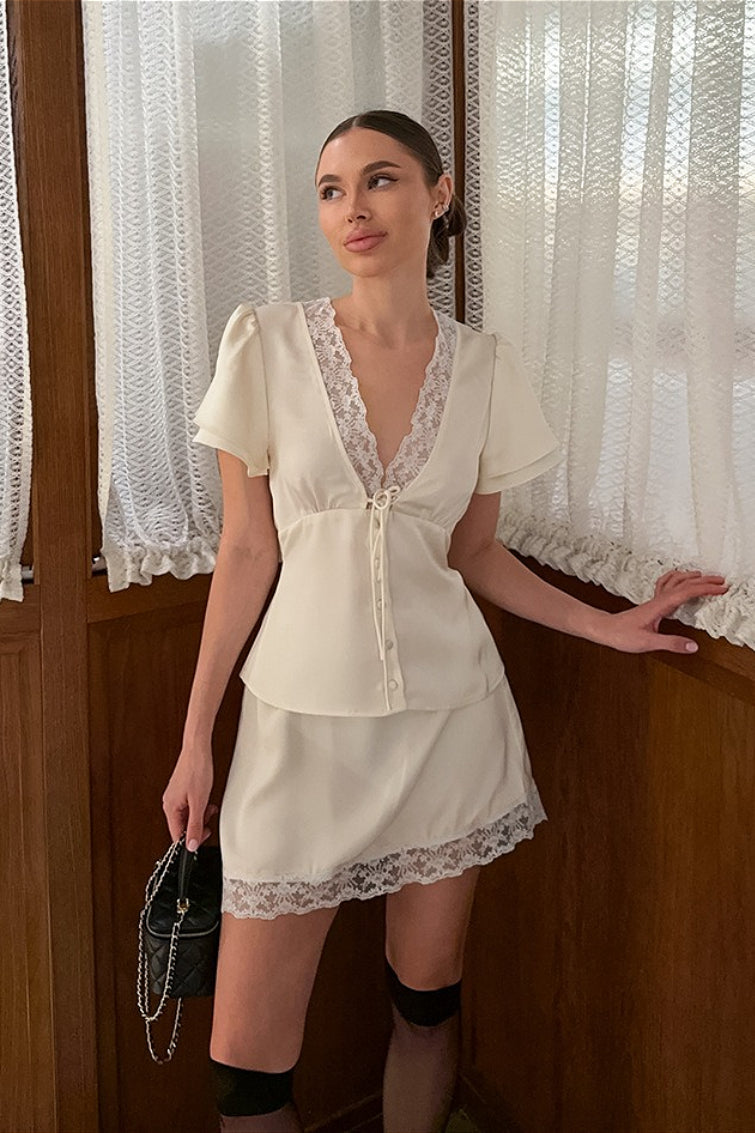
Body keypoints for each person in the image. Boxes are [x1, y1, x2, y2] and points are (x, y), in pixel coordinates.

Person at [162, 109, 729, 1133]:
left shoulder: (483, 367)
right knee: (245, 1069)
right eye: (330, 189)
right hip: (297, 733)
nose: (353, 207)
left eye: (379, 179)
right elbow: (247, 551)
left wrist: (606, 625)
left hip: (449, 725)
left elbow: (472, 552)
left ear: (438, 192)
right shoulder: (266, 342)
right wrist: (197, 738)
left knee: (424, 1005)